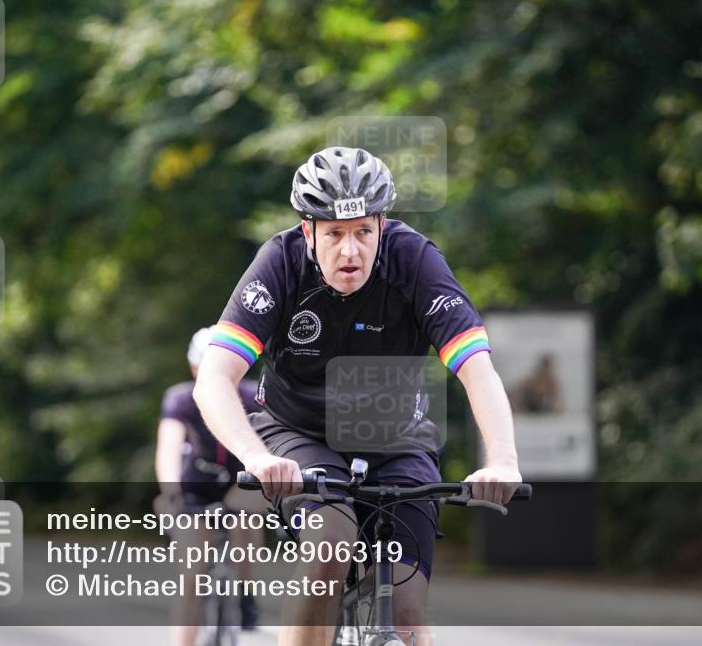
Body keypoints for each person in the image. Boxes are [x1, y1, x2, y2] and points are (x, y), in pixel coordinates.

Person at [194, 146, 524, 646]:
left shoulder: (414, 261)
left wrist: (502, 460)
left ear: (382, 226)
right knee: (330, 544)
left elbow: (478, 369)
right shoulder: (279, 263)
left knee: (409, 611)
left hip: (396, 438)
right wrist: (257, 458)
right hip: (297, 434)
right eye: (334, 234)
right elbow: (214, 378)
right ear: (309, 231)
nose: (350, 251)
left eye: (364, 233)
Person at [154, 327, 265, 645]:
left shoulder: (252, 396)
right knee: (190, 580)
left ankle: (245, 591)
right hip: (196, 486)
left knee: (247, 516)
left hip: (241, 480)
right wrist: (171, 492)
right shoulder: (180, 398)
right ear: (194, 370)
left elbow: (269, 450)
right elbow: (168, 447)